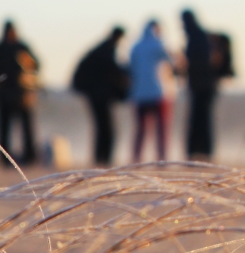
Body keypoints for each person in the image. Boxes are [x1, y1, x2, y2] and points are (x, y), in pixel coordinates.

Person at [0, 21, 40, 166]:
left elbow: (37, 65)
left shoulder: (22, 47)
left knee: (27, 129)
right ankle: (5, 158)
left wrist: (27, 63)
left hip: (22, 96)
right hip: (3, 97)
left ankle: (30, 157)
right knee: (4, 129)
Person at [71, 27, 128, 166]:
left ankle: (100, 158)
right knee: (106, 129)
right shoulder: (107, 51)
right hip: (99, 96)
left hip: (95, 95)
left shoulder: (101, 48)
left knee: (102, 128)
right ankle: (104, 159)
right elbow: (113, 71)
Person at [128, 20, 175, 163]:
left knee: (141, 129)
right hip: (159, 93)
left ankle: (136, 159)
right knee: (162, 129)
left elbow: (130, 68)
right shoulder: (159, 45)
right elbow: (173, 62)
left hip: (139, 94)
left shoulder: (136, 47)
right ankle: (162, 159)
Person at [181, 9, 218, 160]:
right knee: (200, 119)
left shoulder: (197, 36)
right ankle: (198, 151)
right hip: (201, 86)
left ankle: (201, 151)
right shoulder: (198, 35)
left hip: (202, 86)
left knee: (201, 120)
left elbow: (201, 62)